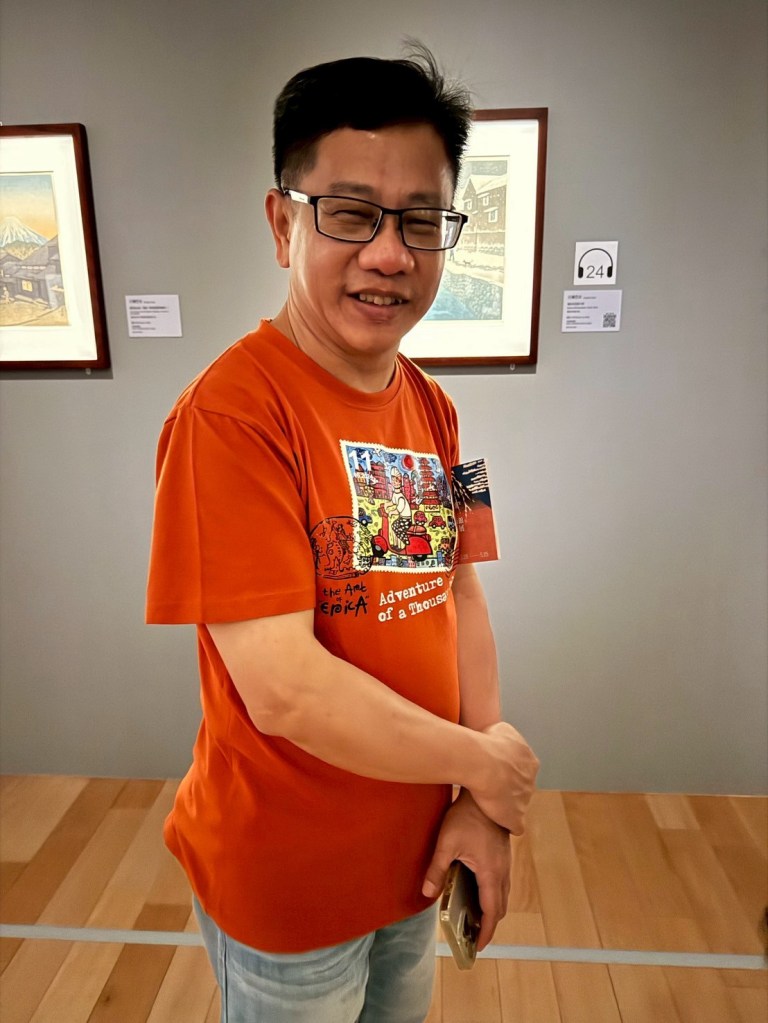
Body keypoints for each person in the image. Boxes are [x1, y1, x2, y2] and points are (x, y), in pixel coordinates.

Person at [146, 45, 539, 1023]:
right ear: (283, 223)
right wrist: (483, 762)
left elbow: (458, 590)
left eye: (421, 220)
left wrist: (478, 798)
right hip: (288, 889)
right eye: (352, 213)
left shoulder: (435, 407)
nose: (390, 254)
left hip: (413, 861)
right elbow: (283, 688)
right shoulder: (228, 417)